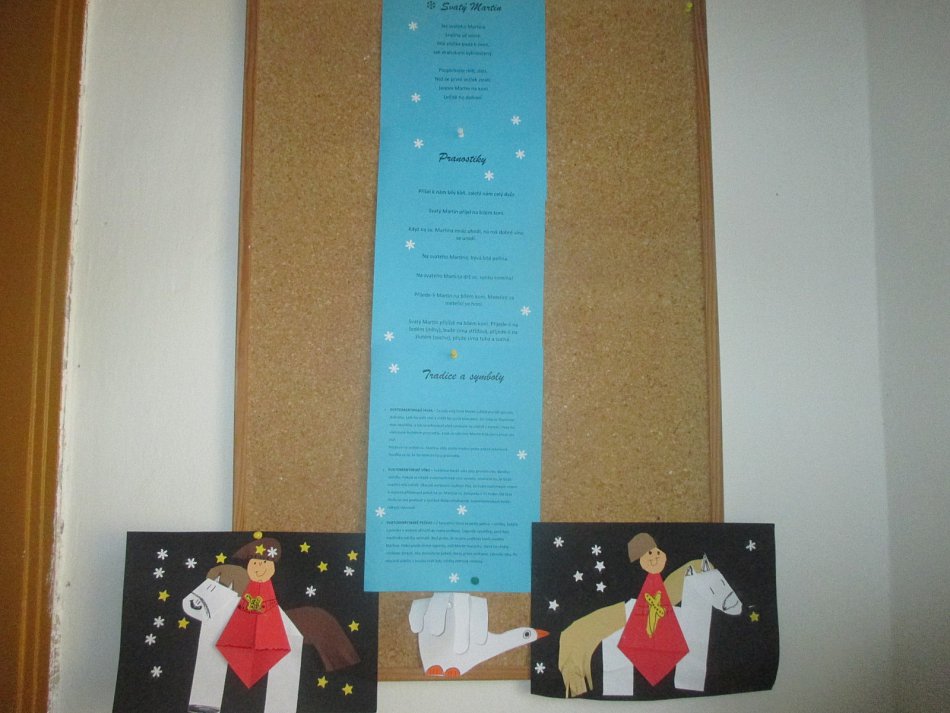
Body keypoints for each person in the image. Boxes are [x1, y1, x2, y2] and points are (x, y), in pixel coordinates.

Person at [215, 532, 292, 688]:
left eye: (264, 563)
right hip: (237, 638)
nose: (259, 568)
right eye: (255, 563)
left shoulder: (270, 592)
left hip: (271, 641)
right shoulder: (244, 587)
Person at [616, 532, 689, 686]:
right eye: (649, 553)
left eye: (656, 552)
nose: (655, 556)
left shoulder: (658, 586)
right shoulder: (644, 589)